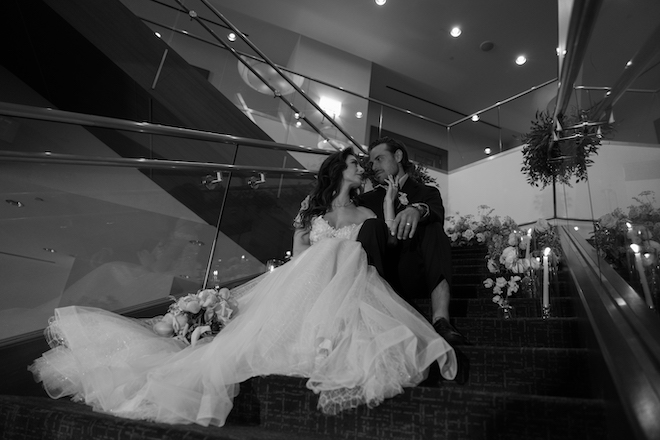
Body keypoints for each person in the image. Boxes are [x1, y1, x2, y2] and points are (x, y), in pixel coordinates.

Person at [29, 147, 457, 428]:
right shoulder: (313, 211)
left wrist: (389, 202)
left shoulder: (366, 211)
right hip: (304, 281)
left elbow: (387, 240)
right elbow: (299, 257)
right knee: (324, 258)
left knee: (345, 255)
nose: (358, 169)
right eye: (352, 164)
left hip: (340, 283)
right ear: (337, 171)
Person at [357, 137, 469, 347]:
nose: (373, 167)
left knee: (434, 228)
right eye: (371, 162)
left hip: (417, 271)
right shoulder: (365, 200)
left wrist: (417, 209)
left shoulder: (427, 192)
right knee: (371, 228)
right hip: (381, 275)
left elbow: (436, 213)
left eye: (379, 159)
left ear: (398, 156)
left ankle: (441, 320)